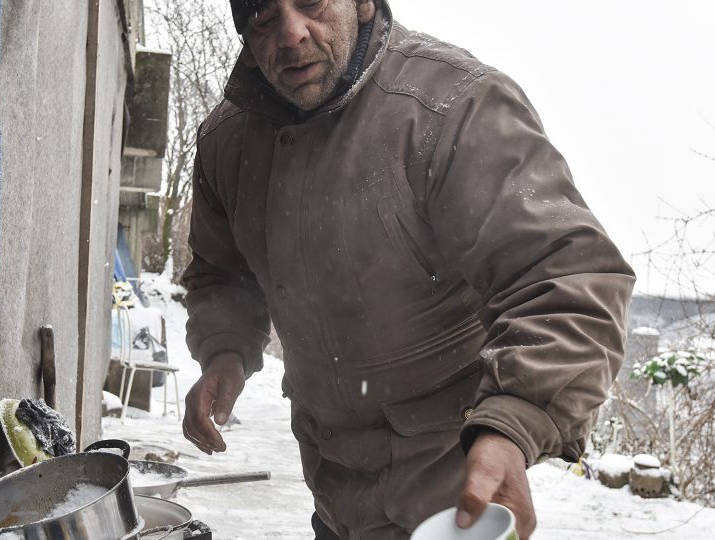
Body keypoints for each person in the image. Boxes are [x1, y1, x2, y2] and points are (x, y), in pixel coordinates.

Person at [180, 0, 635, 538]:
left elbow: (570, 282)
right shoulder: (226, 143)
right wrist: (225, 351)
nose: (292, 33)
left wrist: (515, 420)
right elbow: (221, 272)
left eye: (311, 2)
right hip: (333, 495)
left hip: (453, 502)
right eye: (263, 16)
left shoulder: (453, 109)